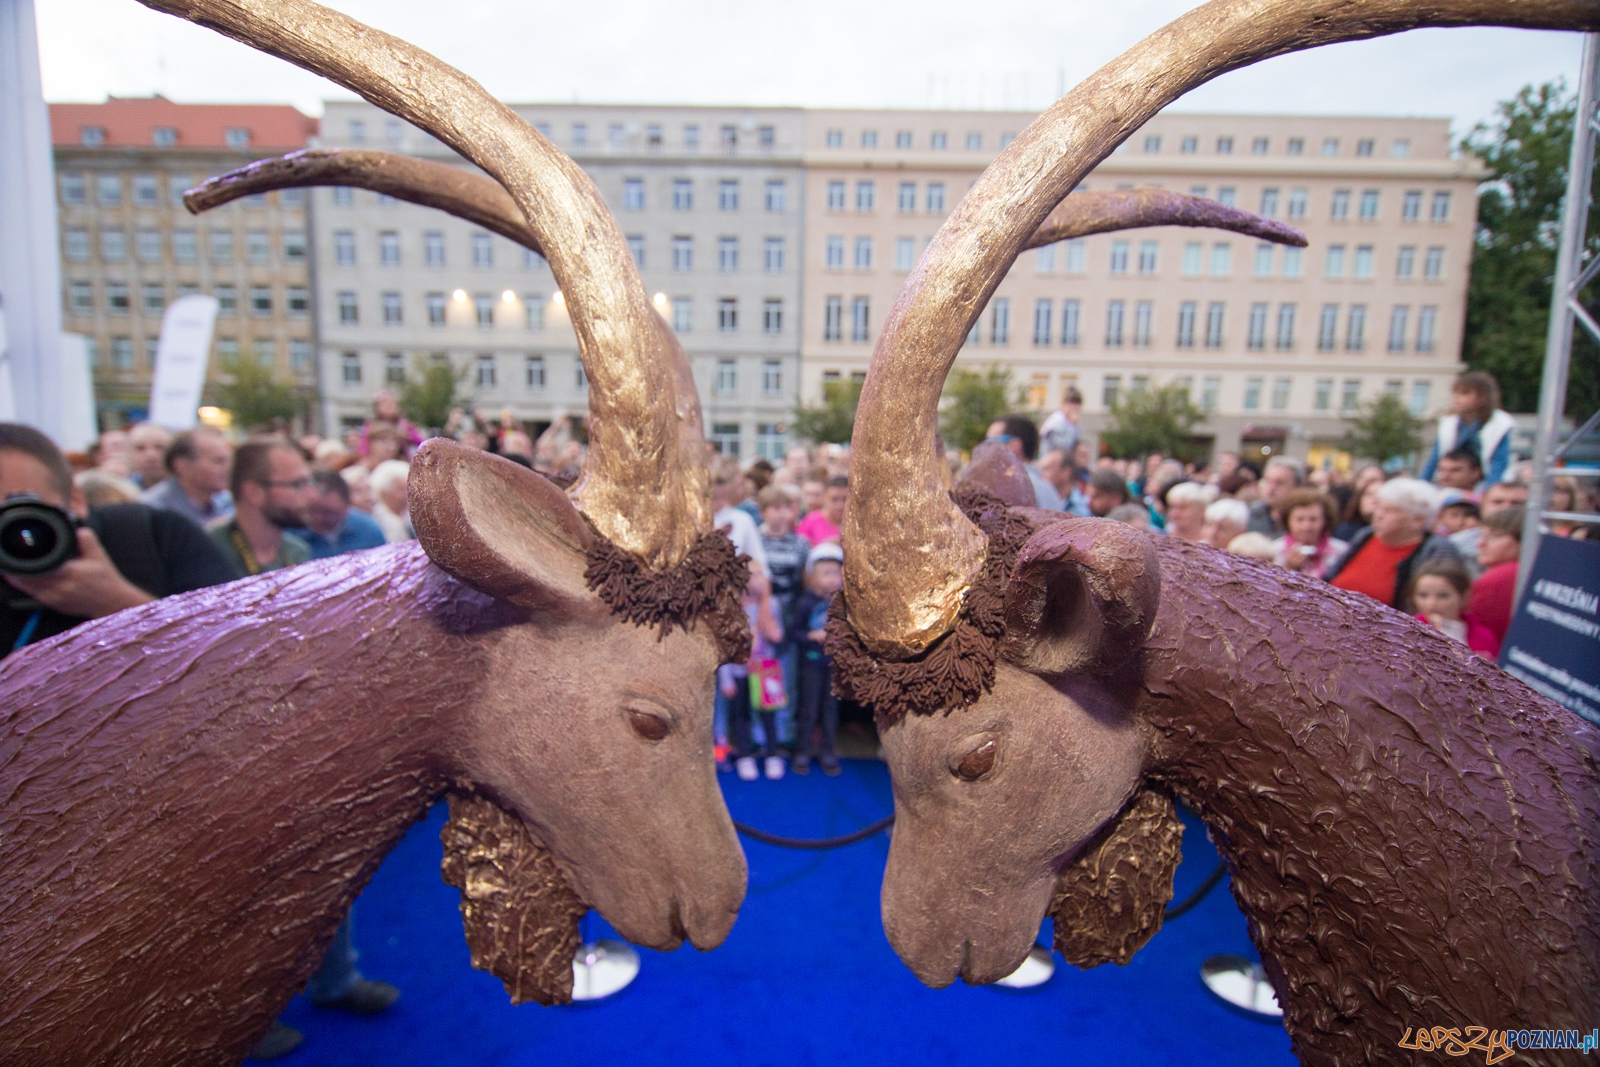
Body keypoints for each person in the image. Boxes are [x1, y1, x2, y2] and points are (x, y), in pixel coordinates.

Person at [0, 423, 239, 657]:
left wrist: (115, 602)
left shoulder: (155, 536)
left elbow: (238, 648)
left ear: (75, 500)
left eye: (20, 509)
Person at [1326, 478, 1461, 609]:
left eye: (1389, 510)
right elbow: (1329, 578)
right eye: (1378, 507)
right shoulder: (1366, 535)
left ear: (1418, 520)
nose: (1378, 515)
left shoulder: (1436, 550)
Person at [209, 439, 313, 577]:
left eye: (309, 482)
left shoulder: (297, 552)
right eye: (297, 484)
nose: (311, 495)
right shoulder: (208, 552)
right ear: (253, 493)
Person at [721, 569, 785, 781]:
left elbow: (778, 637)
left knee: (768, 715)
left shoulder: (772, 604)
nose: (752, 579)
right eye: (747, 574)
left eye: (757, 574)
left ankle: (772, 754)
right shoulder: (731, 608)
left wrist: (767, 627)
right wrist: (726, 678)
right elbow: (723, 647)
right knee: (741, 715)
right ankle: (745, 756)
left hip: (764, 670)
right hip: (739, 670)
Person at [791, 542, 843, 776]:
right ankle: (802, 751)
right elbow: (794, 632)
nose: (832, 578)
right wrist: (811, 635)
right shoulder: (806, 602)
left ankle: (828, 752)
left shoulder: (842, 604)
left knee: (830, 708)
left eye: (836, 572)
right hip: (811, 663)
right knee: (809, 708)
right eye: (826, 573)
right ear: (813, 576)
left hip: (833, 665)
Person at [1420, 371, 1516, 487]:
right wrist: (1421, 485)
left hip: (1484, 483)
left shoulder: (1499, 425)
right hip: (1451, 482)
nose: (1456, 398)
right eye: (1455, 393)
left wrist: (1489, 491)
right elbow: (1434, 459)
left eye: (1464, 393)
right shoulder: (1448, 424)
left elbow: (1499, 464)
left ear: (1483, 397)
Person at [141, 427, 234, 528]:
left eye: (230, 461)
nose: (228, 468)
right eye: (218, 461)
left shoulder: (228, 504)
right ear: (182, 466)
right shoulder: (153, 511)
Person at [1407, 558, 1500, 658]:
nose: (1431, 604)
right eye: (1423, 595)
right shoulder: (1407, 632)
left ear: (1464, 596)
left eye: (1443, 596)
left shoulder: (1484, 637)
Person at [291, 469, 387, 560]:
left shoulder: (368, 531)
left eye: (328, 513)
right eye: (312, 511)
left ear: (347, 505)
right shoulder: (292, 533)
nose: (319, 518)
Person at [1469, 506, 1523, 645]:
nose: (1481, 543)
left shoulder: (1499, 578)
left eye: (1494, 536)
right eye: (1481, 535)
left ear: (1524, 542)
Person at [984, 415, 1062, 510]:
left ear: (1014, 446)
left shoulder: (1009, 488)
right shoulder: (1049, 489)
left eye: (991, 441)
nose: (985, 448)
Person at [1450, 480, 1527, 575]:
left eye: (1516, 503)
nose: (1506, 508)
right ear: (1482, 505)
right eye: (1498, 502)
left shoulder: (1540, 546)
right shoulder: (1457, 544)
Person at [1270, 489, 1348, 579]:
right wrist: (1289, 569)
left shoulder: (1341, 552)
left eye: (1313, 519)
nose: (1306, 527)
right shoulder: (1274, 552)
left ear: (1325, 521)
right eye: (1299, 519)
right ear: (1287, 521)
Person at [710, 465, 768, 574]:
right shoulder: (694, 521)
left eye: (722, 496)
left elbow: (759, 561)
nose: (718, 501)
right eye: (713, 496)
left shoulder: (743, 520)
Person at [1246, 457, 1304, 536]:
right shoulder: (1249, 513)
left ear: (1296, 487)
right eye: (1268, 481)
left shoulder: (1305, 519)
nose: (1271, 488)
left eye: (1279, 483)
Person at [368, 459, 415, 543]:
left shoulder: (411, 513)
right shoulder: (376, 520)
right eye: (401, 489)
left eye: (408, 488)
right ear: (384, 493)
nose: (407, 494)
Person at [797, 475, 848, 546]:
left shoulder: (859, 523)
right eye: (834, 499)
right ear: (825, 498)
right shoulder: (810, 521)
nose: (840, 505)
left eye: (845, 499)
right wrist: (825, 546)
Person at [1037, 447, 1090, 516]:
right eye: (1040, 469)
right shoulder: (1038, 499)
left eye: (1047, 469)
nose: (1040, 474)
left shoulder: (1083, 509)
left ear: (1065, 472)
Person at [1038, 386, 1083, 458]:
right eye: (1071, 403)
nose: (1074, 407)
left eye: (1077, 403)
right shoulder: (1057, 421)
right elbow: (1063, 446)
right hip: (1052, 460)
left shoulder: (1075, 423)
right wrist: (1073, 426)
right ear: (1063, 404)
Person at [127, 422, 173, 490]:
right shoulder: (123, 494)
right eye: (140, 448)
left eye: (160, 447)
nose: (150, 455)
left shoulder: (190, 491)